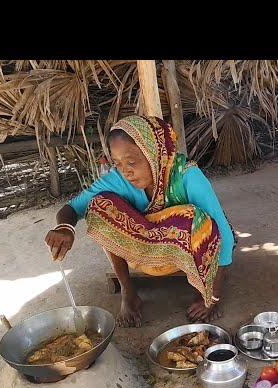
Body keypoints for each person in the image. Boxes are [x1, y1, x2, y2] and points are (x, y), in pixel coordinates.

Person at [44, 115, 235, 327]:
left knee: (196, 220)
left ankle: (202, 288)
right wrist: (64, 228)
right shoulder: (118, 179)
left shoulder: (187, 176)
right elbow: (72, 208)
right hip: (141, 254)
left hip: (186, 257)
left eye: (132, 162)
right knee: (100, 207)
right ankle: (129, 291)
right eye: (117, 163)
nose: (126, 171)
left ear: (154, 154)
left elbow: (224, 237)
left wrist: (213, 298)